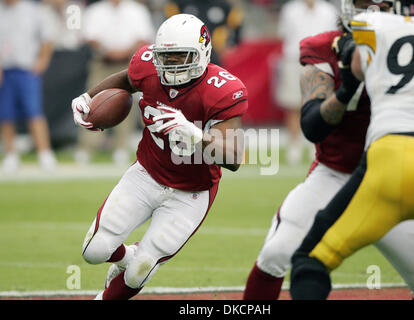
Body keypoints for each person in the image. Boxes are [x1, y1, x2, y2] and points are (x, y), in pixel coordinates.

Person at [244, 0, 414, 300]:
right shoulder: (326, 48)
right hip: (336, 174)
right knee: (276, 253)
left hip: (394, 178)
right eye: (365, 4)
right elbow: (312, 127)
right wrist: (345, 91)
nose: (373, 11)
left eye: (383, 5)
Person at [71, 13, 248, 300]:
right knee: (94, 252)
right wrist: (89, 97)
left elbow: (235, 157)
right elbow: (126, 80)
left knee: (142, 268)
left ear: (202, 53)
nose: (171, 64)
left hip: (191, 192)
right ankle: (127, 255)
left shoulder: (223, 90)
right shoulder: (148, 65)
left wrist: (197, 135)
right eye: (166, 56)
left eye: (181, 56)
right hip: (146, 174)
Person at [74, 0, 155, 166]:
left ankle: (121, 148)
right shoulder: (96, 10)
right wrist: (107, 50)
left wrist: (124, 52)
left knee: (125, 104)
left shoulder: (136, 10)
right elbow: (89, 37)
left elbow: (144, 37)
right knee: (92, 103)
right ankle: (87, 148)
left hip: (129, 62)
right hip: (102, 62)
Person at [276, 0, 338, 166]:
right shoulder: (290, 10)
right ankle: (294, 146)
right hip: (294, 60)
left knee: (319, 105)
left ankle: (316, 145)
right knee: (293, 106)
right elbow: (285, 36)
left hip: (321, 62)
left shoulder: (328, 11)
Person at [0, 0, 58, 173]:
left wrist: (42, 61)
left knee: (34, 111)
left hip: (26, 69)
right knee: (5, 114)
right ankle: (10, 155)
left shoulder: (33, 10)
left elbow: (48, 38)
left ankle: (44, 154)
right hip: (5, 70)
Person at [164, 0, 243, 66]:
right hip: (187, 52)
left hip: (214, 53)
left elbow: (237, 25)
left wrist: (233, 44)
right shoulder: (181, 3)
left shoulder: (223, 5)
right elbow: (169, 23)